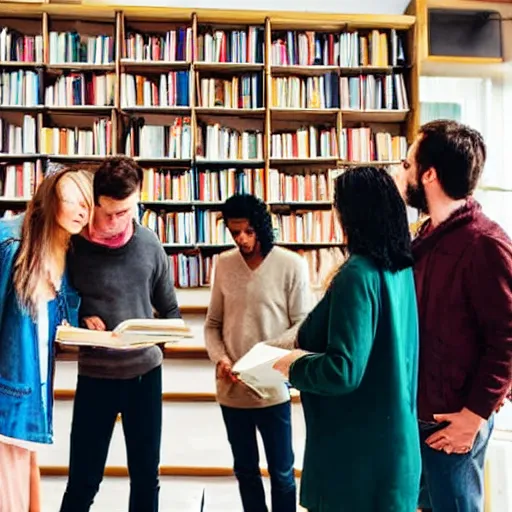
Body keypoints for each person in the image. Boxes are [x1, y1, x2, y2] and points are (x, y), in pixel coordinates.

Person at [274, 167, 421, 512]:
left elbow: (343, 370)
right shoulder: (398, 269)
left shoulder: (356, 274)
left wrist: (292, 366)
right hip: (394, 447)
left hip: (356, 459)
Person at [395, 120, 512, 512]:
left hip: (454, 424)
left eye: (408, 164)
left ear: (429, 175)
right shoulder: (424, 236)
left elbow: (508, 340)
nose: (404, 171)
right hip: (420, 420)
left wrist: (474, 416)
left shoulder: (485, 244)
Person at [59, 156, 181, 512]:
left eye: (125, 212)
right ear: (93, 202)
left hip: (144, 375)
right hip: (96, 376)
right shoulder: (72, 245)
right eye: (107, 213)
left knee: (145, 476)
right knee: (83, 479)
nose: (114, 222)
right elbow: (55, 303)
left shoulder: (149, 244)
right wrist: (80, 315)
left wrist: (157, 338)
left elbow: (170, 311)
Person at [204, 194, 312, 512]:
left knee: (281, 473)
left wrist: (263, 356)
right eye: (234, 232)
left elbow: (302, 327)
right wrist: (221, 358)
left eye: (248, 231)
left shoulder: (292, 265)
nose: (241, 239)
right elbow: (212, 325)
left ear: (261, 227)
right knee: (245, 471)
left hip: (272, 387)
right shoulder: (223, 265)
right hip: (231, 389)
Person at [0, 168, 93, 512]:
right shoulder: (10, 243)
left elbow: (51, 325)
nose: (82, 210)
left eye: (87, 202)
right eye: (73, 200)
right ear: (49, 197)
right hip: (7, 400)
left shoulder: (64, 252)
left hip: (31, 399)